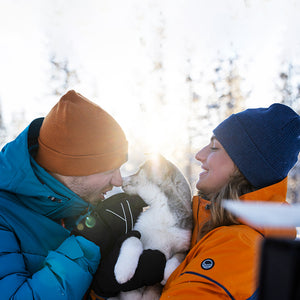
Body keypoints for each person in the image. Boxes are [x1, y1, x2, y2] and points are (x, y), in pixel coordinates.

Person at [0, 90, 165, 300]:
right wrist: (85, 246)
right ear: (71, 169)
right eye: (108, 170)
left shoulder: (82, 203)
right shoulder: (4, 214)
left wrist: (106, 283)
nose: (118, 181)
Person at [160, 103, 300, 300]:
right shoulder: (219, 229)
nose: (199, 155)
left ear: (245, 167)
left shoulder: (239, 245)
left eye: (214, 147)